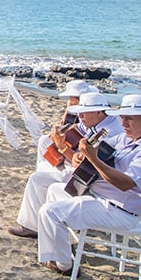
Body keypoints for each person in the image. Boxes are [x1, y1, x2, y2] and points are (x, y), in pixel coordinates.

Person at [36, 94, 141, 275]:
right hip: (101, 197)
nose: (123, 123)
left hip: (120, 211)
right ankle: (64, 245)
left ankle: (64, 266)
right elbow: (102, 146)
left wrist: (93, 159)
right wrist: (80, 154)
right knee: (55, 190)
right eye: (122, 117)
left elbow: (125, 184)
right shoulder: (129, 137)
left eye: (129, 119)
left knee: (49, 212)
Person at [8, 92, 123, 238]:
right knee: (44, 150)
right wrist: (65, 130)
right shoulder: (96, 121)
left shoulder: (110, 134)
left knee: (37, 179)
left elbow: (86, 165)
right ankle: (37, 221)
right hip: (85, 172)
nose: (80, 117)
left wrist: (63, 148)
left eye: (83, 114)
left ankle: (33, 226)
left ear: (98, 112)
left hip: (92, 181)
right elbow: (78, 129)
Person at [34, 80, 91, 170]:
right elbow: (66, 122)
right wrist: (67, 110)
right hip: (76, 135)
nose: (68, 99)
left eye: (70, 97)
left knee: (48, 143)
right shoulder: (75, 105)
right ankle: (42, 168)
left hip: (83, 141)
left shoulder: (89, 104)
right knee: (43, 140)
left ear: (74, 97)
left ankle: (53, 170)